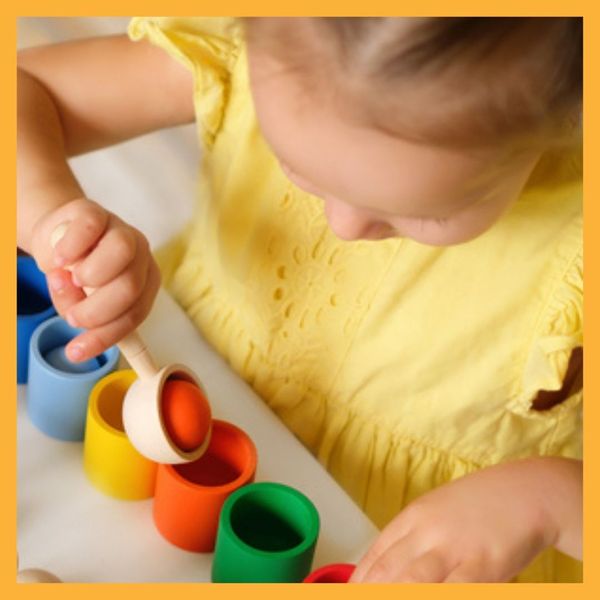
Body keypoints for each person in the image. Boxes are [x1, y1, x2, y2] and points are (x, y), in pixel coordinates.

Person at [17, 17, 582, 582]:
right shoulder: (273, 41)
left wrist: (552, 501)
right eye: (297, 167)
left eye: (428, 212)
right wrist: (54, 221)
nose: (344, 225)